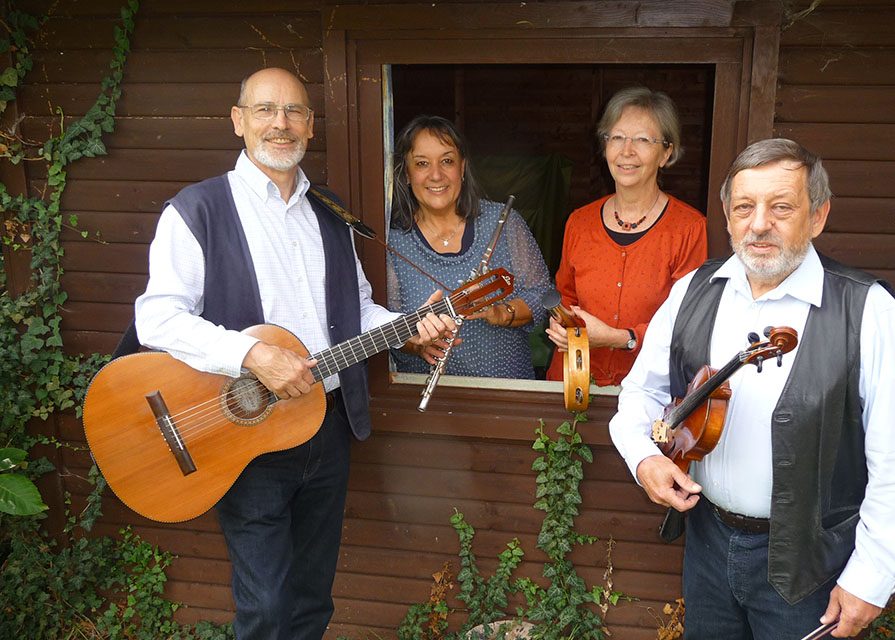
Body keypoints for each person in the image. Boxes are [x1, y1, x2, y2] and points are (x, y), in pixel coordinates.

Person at [133, 68, 454, 640]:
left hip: (325, 432)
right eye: (264, 110)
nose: (280, 124)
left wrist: (408, 330)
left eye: (294, 112)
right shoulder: (197, 210)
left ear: (309, 125)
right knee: (265, 609)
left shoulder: (329, 214)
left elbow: (356, 311)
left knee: (311, 601)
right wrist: (251, 355)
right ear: (238, 121)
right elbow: (156, 319)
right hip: (245, 439)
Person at [608, 138, 895, 639]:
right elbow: (639, 395)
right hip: (708, 545)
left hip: (811, 566)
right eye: (744, 207)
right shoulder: (692, 291)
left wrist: (869, 579)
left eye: (781, 207)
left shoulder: (868, 311)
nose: (759, 224)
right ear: (728, 215)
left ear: (818, 216)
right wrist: (644, 458)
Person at [546, 86, 707, 387]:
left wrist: (621, 339)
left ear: (666, 153)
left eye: (643, 140)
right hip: (574, 385)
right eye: (617, 137)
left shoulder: (688, 227)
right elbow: (565, 295)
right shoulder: (579, 222)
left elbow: (687, 323)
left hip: (650, 391)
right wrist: (560, 322)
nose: (627, 151)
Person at [387, 115, 551, 379]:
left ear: (462, 168)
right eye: (421, 164)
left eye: (447, 161)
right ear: (407, 173)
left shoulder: (503, 222)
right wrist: (415, 344)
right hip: (427, 403)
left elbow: (543, 296)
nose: (436, 174)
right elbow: (386, 327)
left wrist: (501, 312)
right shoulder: (393, 241)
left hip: (508, 394)